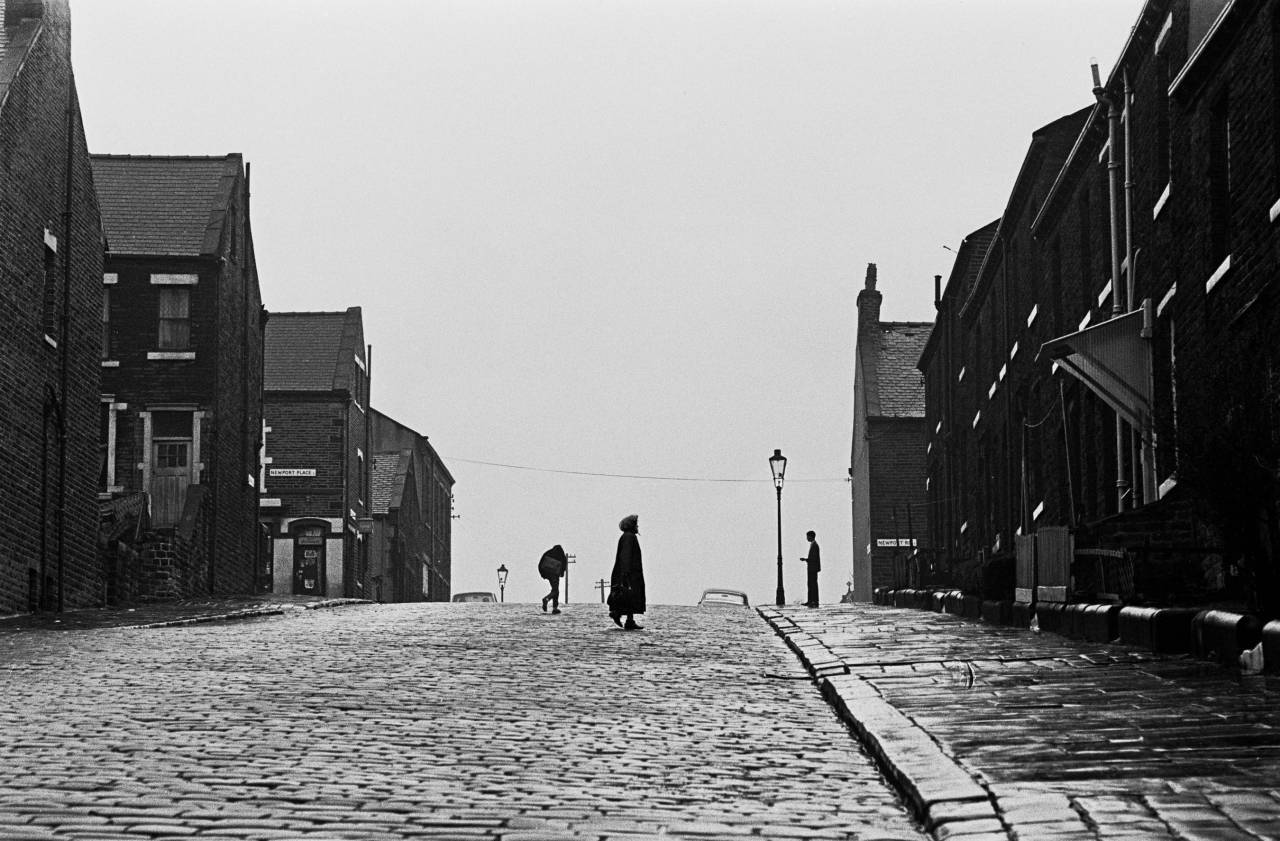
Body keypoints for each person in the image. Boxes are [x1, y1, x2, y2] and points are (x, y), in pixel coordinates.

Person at [608, 514, 646, 630]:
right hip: (629, 573)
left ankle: (629, 620)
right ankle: (618, 614)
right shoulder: (629, 537)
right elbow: (626, 555)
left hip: (628, 572)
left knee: (629, 596)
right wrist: (625, 573)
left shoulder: (627, 536)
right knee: (627, 595)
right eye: (635, 524)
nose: (637, 526)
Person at [538, 544, 568, 614]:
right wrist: (562, 573)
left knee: (555, 590)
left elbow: (540, 564)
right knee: (555, 591)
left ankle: (554, 607)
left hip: (547, 573)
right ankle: (547, 600)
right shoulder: (561, 555)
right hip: (555, 574)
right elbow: (564, 565)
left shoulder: (548, 553)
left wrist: (542, 574)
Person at [801, 530, 820, 607]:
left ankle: (814, 601)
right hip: (812, 568)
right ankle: (811, 600)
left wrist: (806, 559)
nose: (807, 538)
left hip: (813, 568)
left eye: (807, 536)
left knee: (813, 584)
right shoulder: (813, 545)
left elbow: (814, 558)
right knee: (811, 584)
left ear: (811, 536)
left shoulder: (815, 545)